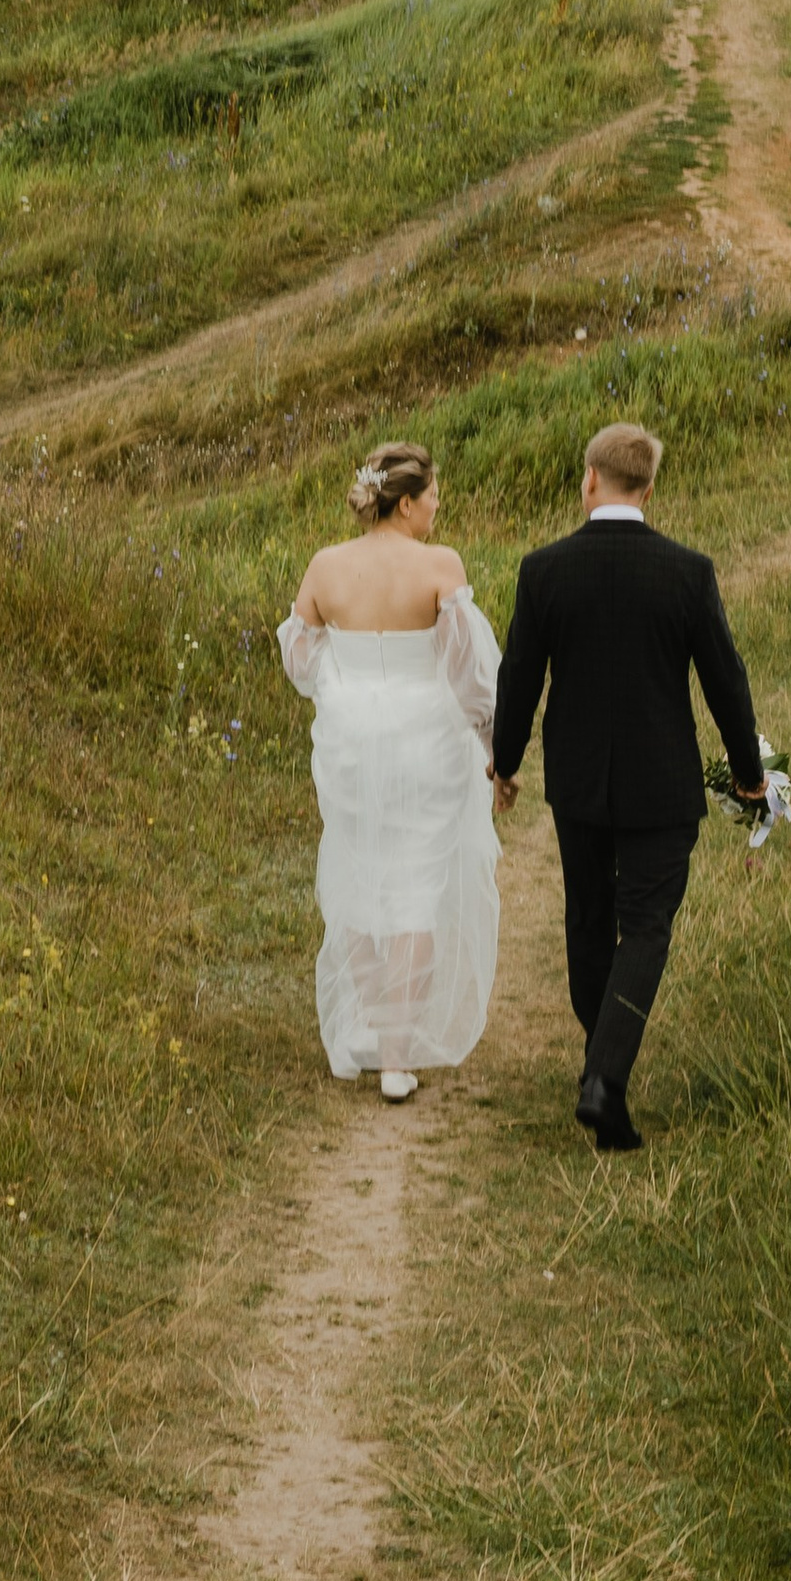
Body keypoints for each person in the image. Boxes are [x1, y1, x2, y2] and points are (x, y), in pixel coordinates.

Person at [488, 422, 765, 1154]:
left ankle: (599, 1066)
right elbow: (726, 679)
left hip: (579, 782)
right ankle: (604, 1081)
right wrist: (748, 772)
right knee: (645, 928)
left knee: (588, 918)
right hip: (661, 784)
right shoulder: (687, 571)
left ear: (590, 480)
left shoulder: (545, 569)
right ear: (648, 489)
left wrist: (505, 763)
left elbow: (520, 676)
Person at [277, 442, 501, 1101]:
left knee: (357, 874)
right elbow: (468, 673)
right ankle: (397, 1059)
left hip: (350, 742)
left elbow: (298, 657)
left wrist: (344, 683)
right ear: (405, 504)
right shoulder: (439, 565)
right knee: (417, 887)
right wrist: (492, 743)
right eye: (432, 496)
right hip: (425, 742)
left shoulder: (326, 565)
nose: (437, 506)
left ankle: (366, 1030)